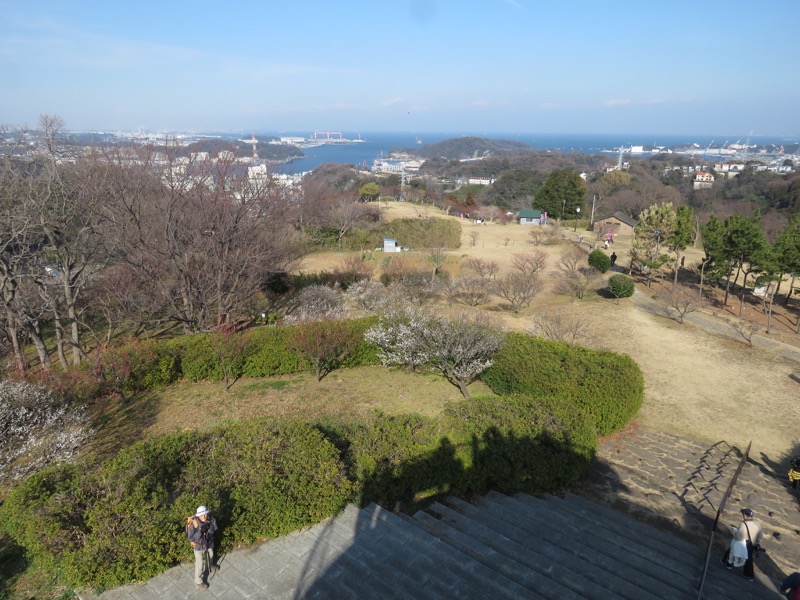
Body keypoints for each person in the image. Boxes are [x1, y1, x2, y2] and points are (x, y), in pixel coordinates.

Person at [721, 508, 763, 581]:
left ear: (745, 515)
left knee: (732, 550)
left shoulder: (744, 524)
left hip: (743, 542)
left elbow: (739, 536)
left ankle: (727, 563)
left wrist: (734, 532)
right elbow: (760, 536)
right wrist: (757, 542)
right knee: (749, 559)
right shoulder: (757, 524)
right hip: (752, 544)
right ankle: (749, 575)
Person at [187, 505, 219, 589]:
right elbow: (190, 538)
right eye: (201, 515)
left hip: (208, 542)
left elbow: (215, 527)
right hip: (199, 546)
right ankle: (198, 581)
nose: (204, 516)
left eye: (205, 514)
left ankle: (210, 565)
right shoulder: (194, 525)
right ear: (198, 516)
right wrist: (200, 532)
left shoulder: (211, 518)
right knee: (200, 564)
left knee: (211, 554)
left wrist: (211, 529)